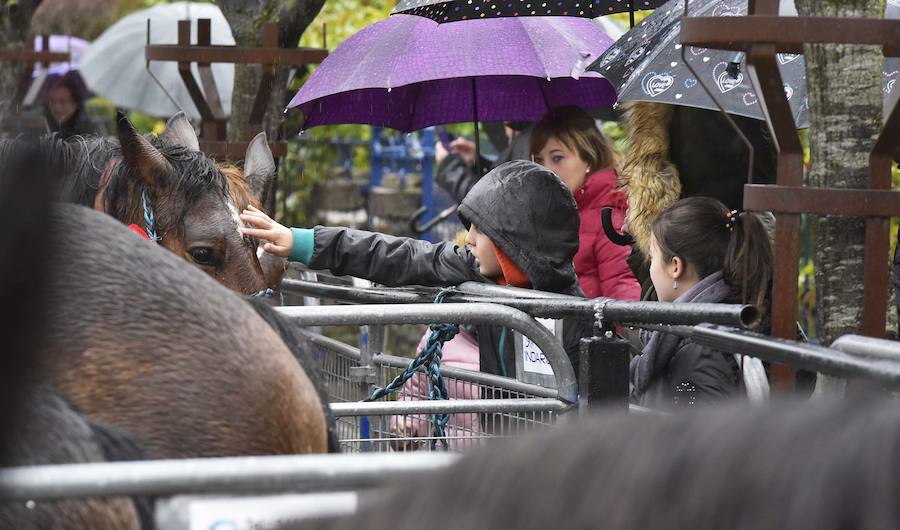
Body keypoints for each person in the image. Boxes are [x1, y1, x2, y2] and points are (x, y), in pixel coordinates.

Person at [241, 160, 591, 381]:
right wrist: (302, 242)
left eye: (480, 229)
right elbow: (400, 255)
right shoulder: (472, 267)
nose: (468, 239)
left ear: (511, 239)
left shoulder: (574, 316)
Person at [630, 196, 773, 408]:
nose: (651, 269)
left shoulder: (698, 349)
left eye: (653, 258)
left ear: (675, 267)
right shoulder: (725, 321)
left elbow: (699, 432)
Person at [530, 106, 640, 301]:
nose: (546, 169)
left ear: (588, 159)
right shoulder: (544, 211)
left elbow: (623, 294)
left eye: (557, 158)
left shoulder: (609, 216)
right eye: (539, 160)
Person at [435, 121, 532, 203]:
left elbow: (487, 204)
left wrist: (449, 166)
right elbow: (499, 183)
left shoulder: (525, 142)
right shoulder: (523, 141)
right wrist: (477, 163)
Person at [43, 72, 100, 139]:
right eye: (52, 101)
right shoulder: (41, 124)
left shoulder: (89, 130)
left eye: (63, 102)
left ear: (75, 103)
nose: (57, 107)